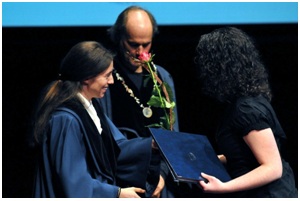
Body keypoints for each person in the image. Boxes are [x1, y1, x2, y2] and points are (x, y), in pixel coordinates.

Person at [31, 41, 159, 198]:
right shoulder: (65, 119)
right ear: (86, 77)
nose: (111, 81)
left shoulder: (93, 106)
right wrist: (117, 193)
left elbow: (114, 147)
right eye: (107, 75)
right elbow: (74, 182)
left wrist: (151, 145)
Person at [194, 27, 298, 197]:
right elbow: (246, 156)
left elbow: (273, 167)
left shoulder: (246, 110)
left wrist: (223, 187)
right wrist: (212, 160)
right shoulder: (243, 103)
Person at [99, 6, 179, 197]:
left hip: (158, 181)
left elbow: (173, 135)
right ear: (119, 38)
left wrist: (162, 174)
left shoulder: (161, 77)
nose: (140, 52)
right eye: (133, 44)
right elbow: (102, 137)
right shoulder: (106, 77)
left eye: (146, 44)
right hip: (121, 180)